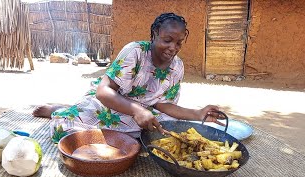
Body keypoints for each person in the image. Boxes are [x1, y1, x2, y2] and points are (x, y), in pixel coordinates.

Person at [33, 12, 223, 141]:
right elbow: (103, 91)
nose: (173, 48)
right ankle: (59, 110)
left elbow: (164, 104)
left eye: (179, 43)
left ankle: (81, 111)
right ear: (154, 34)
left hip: (144, 112)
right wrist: (136, 111)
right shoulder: (135, 52)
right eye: (167, 40)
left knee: (169, 131)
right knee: (66, 131)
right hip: (112, 102)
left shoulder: (177, 66)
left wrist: (198, 114)